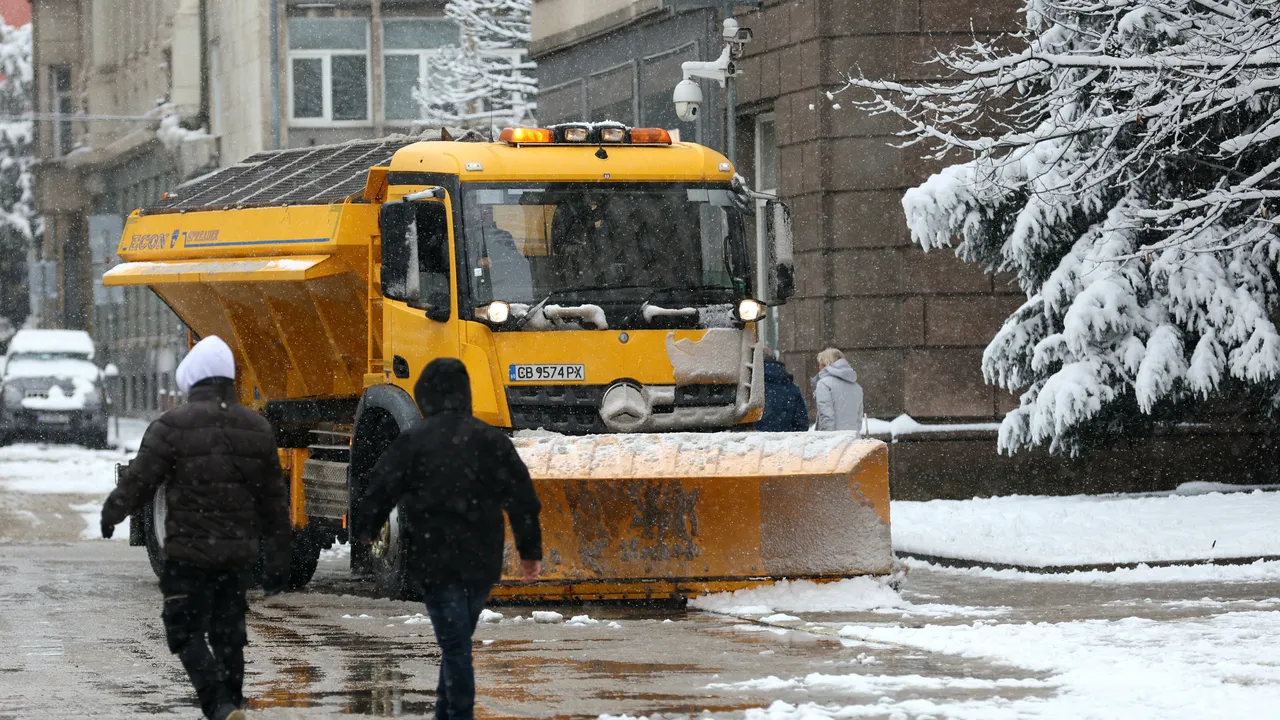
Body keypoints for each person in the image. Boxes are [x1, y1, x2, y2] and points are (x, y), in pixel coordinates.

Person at [100, 336, 290, 720]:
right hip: (237, 555)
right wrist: (279, 557)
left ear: (193, 378)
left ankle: (218, 706)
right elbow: (274, 501)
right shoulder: (257, 428)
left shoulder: (171, 426)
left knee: (184, 630)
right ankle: (233, 702)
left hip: (188, 556)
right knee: (228, 632)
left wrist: (112, 512)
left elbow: (140, 481)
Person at [354, 358, 543, 720]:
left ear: (425, 394)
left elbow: (378, 488)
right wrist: (529, 550)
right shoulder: (491, 440)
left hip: (434, 559)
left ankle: (457, 715)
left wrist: (366, 528)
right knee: (456, 642)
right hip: (481, 562)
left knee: (455, 644)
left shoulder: (413, 441)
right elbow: (521, 497)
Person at [757, 347, 809, 432]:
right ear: (775, 358)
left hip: (754, 442)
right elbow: (802, 424)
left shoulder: (749, 389)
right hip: (786, 442)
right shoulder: (792, 389)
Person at [814, 347, 865, 433]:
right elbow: (859, 420)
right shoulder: (857, 387)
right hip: (854, 440)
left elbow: (827, 417)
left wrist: (826, 440)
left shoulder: (824, 384)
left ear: (826, 364)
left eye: (820, 363)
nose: (819, 367)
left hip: (835, 441)